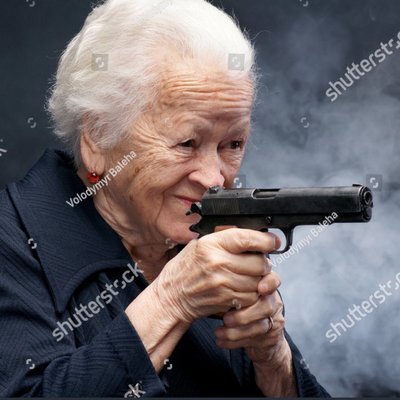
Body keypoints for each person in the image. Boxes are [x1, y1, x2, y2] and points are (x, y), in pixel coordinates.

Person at [0, 0, 330, 396]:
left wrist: (274, 360)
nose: (214, 179)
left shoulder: (205, 242)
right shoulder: (13, 241)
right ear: (98, 138)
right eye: (187, 143)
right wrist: (172, 300)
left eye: (233, 144)